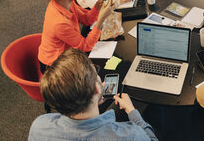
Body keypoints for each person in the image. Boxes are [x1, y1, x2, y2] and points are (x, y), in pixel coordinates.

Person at [28, 48, 158, 141]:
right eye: (96, 72)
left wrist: (94, 98)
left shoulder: (39, 126)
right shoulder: (131, 135)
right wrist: (132, 111)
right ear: (97, 89)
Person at [33, 0, 115, 69]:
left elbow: (86, 20)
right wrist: (101, 19)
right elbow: (85, 46)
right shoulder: (59, 23)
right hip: (55, 65)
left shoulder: (66, 3)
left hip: (68, 54)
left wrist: (97, 7)